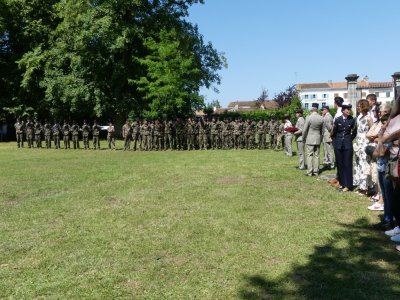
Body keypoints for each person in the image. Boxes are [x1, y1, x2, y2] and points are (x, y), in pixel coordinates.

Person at [331, 102, 357, 192]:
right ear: (342, 110)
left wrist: (348, 139)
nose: (348, 111)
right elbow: (334, 132)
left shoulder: (352, 120)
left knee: (347, 164)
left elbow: (354, 132)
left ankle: (348, 185)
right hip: (338, 144)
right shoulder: (338, 120)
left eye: (349, 109)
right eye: (346, 109)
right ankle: (342, 183)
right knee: (340, 164)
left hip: (347, 144)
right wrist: (335, 141)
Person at [353, 99, 373, 195]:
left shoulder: (369, 118)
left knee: (364, 164)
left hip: (365, 142)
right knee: (358, 164)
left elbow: (372, 131)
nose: (357, 108)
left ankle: (366, 188)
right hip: (359, 142)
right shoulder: (359, 117)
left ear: (363, 106)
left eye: (359, 106)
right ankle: (360, 186)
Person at [302, 103, 324, 176]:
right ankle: (316, 171)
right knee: (317, 155)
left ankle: (309, 172)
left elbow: (304, 130)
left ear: (312, 109)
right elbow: (322, 131)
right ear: (317, 109)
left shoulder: (309, 117)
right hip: (317, 138)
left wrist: (303, 138)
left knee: (309, 155)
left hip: (310, 138)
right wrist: (320, 138)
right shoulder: (321, 118)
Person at [322, 105, 334, 170]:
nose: (322, 111)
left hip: (328, 136)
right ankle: (328, 163)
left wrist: (330, 135)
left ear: (326, 110)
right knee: (326, 151)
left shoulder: (328, 117)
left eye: (323, 109)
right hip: (326, 135)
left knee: (329, 151)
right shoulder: (325, 116)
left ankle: (332, 164)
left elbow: (330, 127)